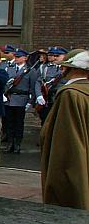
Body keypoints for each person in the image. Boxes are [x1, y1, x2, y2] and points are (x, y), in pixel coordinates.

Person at [40, 49, 89, 211]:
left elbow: (66, 142)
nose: (62, 70)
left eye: (64, 67)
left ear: (73, 69)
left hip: (75, 161)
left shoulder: (71, 95)